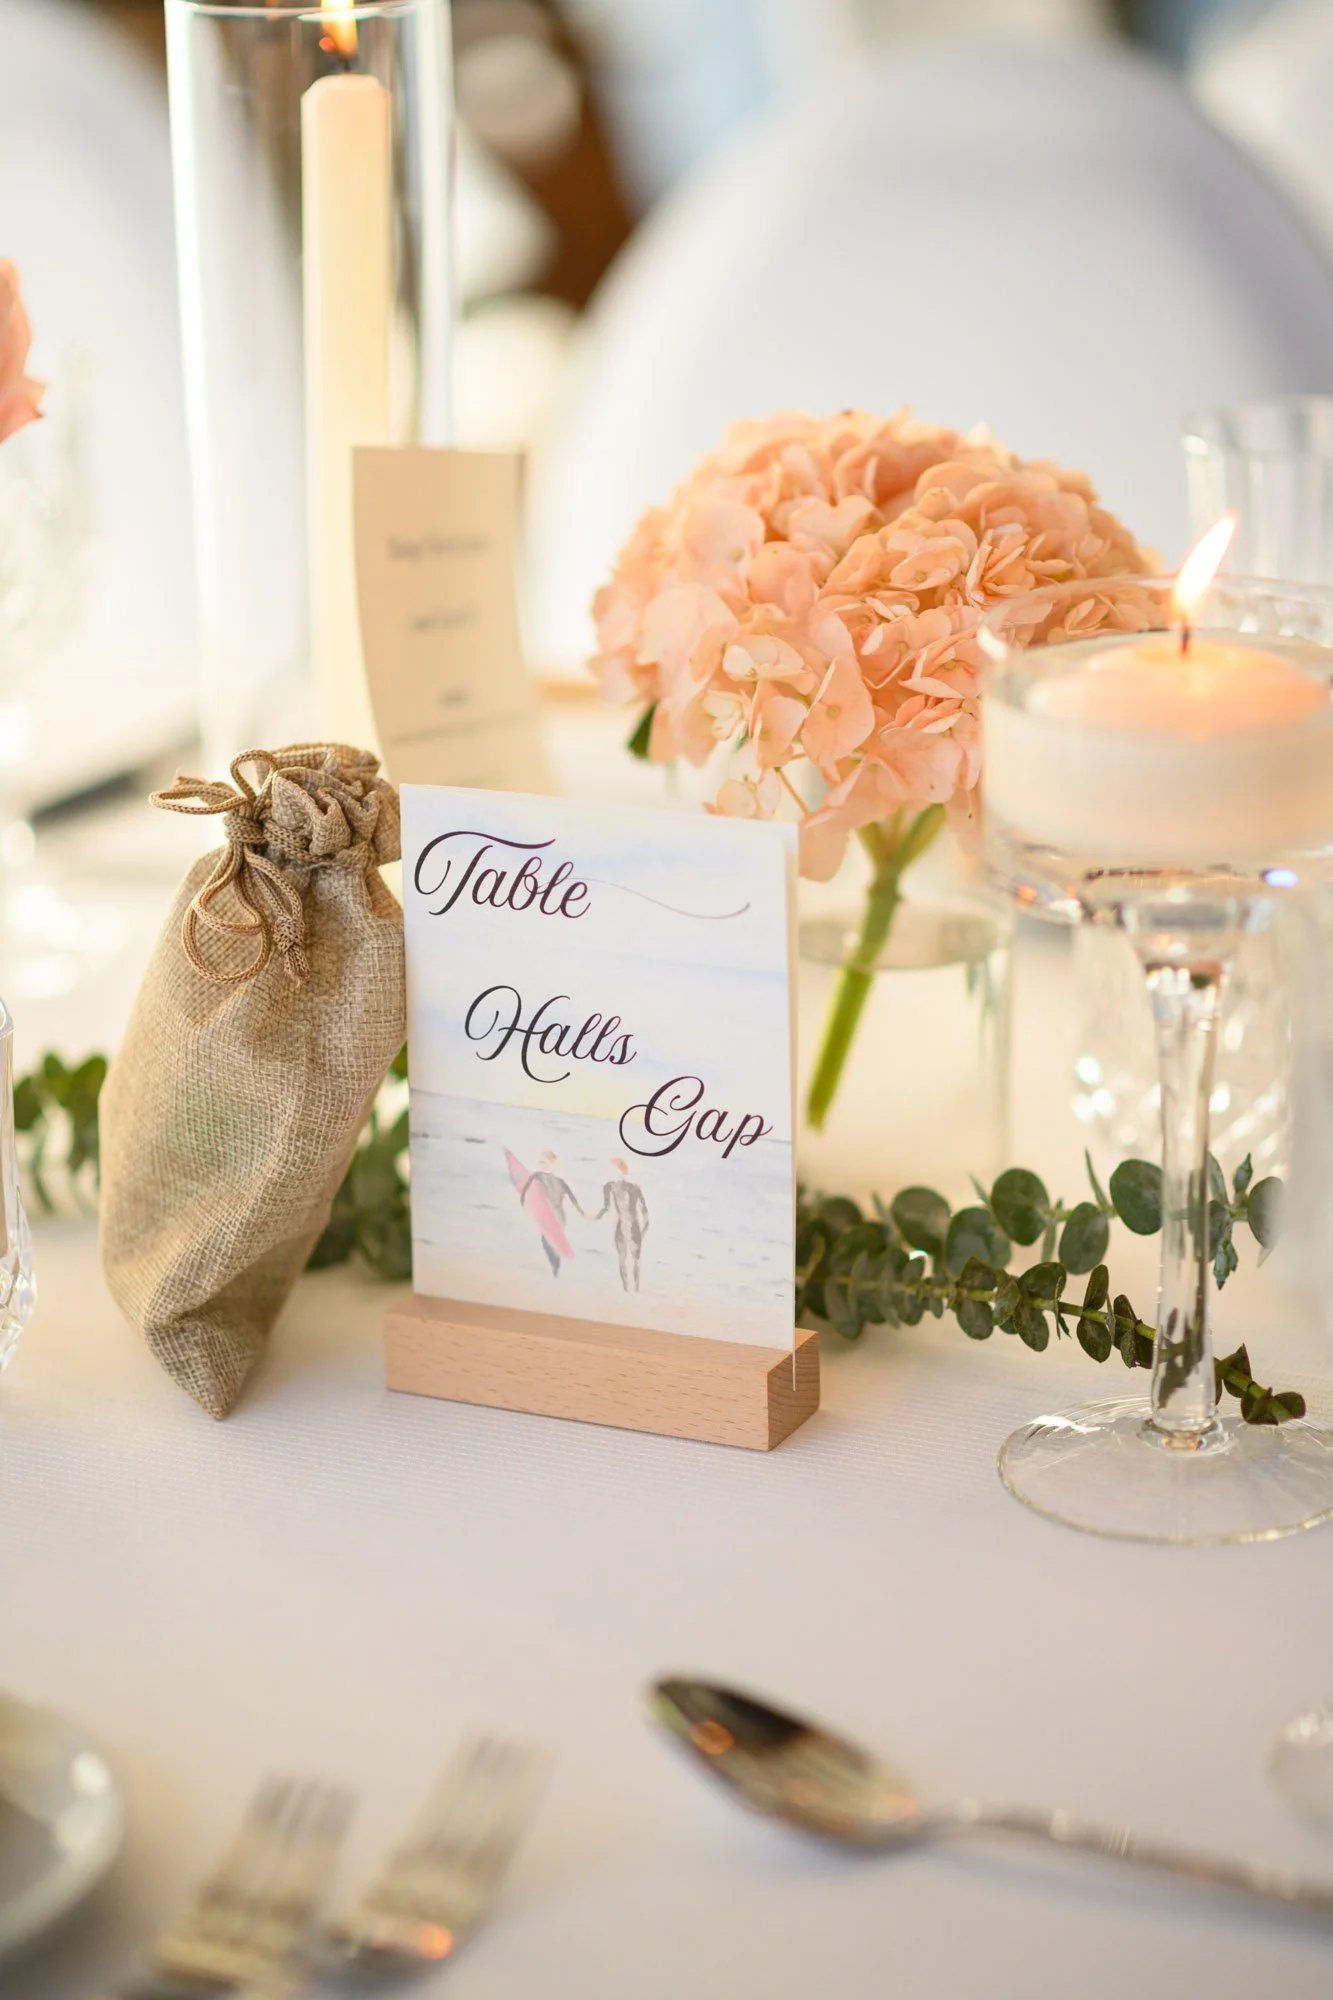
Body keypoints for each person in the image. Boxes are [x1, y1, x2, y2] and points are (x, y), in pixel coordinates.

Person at [520, 1151, 583, 1277]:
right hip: (560, 1216)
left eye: (543, 1162)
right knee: (551, 1241)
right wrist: (581, 1213)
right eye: (540, 1162)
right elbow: (573, 1200)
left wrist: (523, 1203)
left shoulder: (537, 1175)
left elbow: (524, 1190)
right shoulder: (561, 1181)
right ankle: (556, 1266)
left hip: (550, 1214)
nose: (540, 1164)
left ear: (551, 1164)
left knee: (546, 1241)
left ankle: (555, 1267)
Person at [594, 1157, 650, 1292]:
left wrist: (644, 1231)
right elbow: (606, 1207)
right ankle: (628, 1291)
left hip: (632, 1227)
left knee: (633, 1260)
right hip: (625, 1227)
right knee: (623, 1260)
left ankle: (635, 1290)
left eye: (613, 1169)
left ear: (621, 1171)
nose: (611, 1173)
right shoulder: (609, 1186)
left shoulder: (634, 1188)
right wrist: (594, 1218)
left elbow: (645, 1212)